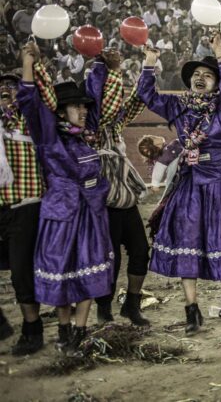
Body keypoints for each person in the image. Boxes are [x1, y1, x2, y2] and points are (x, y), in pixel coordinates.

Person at [137, 33, 221, 335]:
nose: (200, 78)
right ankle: (192, 310)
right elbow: (148, 95)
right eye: (196, 75)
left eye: (207, 75)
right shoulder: (178, 106)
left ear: (216, 83)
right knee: (186, 241)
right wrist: (150, 63)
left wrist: (220, 53)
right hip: (190, 183)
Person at [18, 43, 113, 356]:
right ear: (60, 111)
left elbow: (96, 97)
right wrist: (28, 66)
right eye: (77, 107)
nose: (84, 111)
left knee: (90, 270)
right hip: (61, 213)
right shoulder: (49, 135)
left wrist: (100, 64)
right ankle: (63, 328)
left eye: (84, 107)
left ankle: (80, 330)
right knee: (62, 271)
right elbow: (31, 104)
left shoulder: (88, 132)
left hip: (91, 213)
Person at [85, 49, 151, 326]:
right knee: (108, 258)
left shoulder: (113, 124)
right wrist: (112, 68)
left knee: (140, 251)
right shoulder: (93, 125)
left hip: (123, 200)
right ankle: (104, 308)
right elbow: (108, 105)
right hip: (104, 203)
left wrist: (149, 67)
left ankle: (131, 305)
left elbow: (135, 100)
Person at [0, 57, 54, 355]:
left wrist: (30, 65)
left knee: (21, 273)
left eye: (11, 85)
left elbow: (40, 97)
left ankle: (32, 330)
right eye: (1, 87)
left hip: (26, 206)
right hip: (2, 207)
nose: (5, 91)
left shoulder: (26, 119)